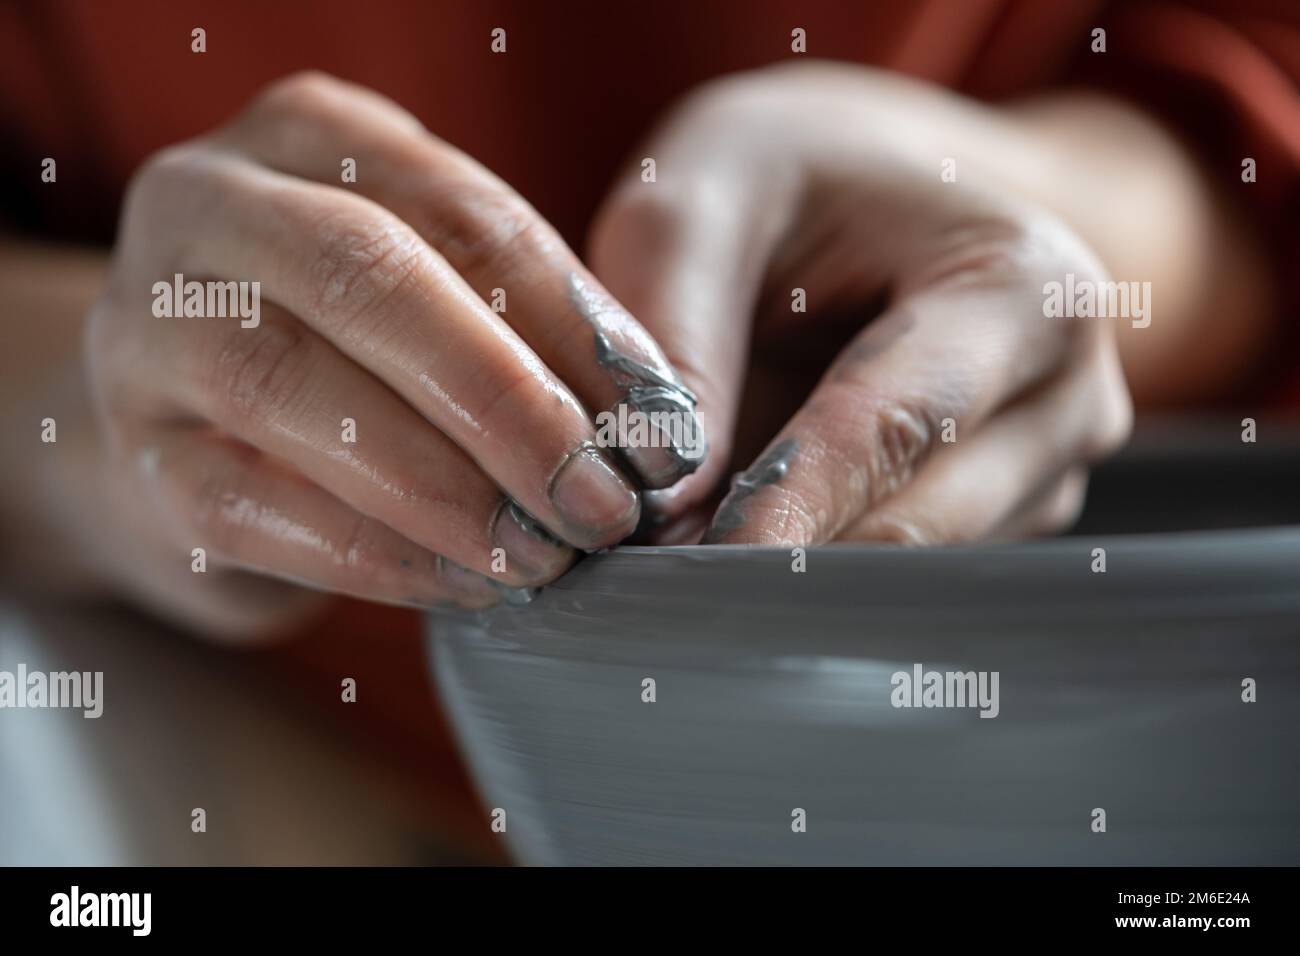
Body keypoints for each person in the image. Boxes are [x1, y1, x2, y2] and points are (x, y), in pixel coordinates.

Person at [1, 0, 1294, 642]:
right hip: (243, 759)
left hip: (1016, 701)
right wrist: (103, 413)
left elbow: (1252, 93)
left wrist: (1023, 217)